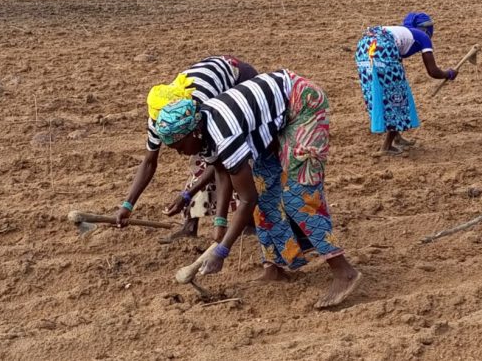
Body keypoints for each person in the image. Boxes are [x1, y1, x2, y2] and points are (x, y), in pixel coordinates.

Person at [155, 70, 361, 309]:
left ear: (193, 132)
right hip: (272, 121)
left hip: (301, 105)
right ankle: (273, 268)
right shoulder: (204, 130)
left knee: (298, 195)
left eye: (180, 147)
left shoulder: (223, 133)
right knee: (265, 189)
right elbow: (222, 171)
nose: (180, 153)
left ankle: (344, 271)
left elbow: (246, 198)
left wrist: (222, 251)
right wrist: (220, 223)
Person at [115, 56, 258, 243]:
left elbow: (218, 165)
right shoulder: (160, 120)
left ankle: (250, 221)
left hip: (240, 80)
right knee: (199, 157)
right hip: (208, 89)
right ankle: (190, 225)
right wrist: (128, 204)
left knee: (237, 159)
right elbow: (149, 162)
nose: (179, 152)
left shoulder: (199, 107)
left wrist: (188, 195)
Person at [355, 12, 458, 155]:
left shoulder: (400, 32)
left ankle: (396, 137)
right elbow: (433, 71)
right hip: (382, 49)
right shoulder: (422, 36)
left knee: (379, 91)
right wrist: (449, 73)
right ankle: (386, 147)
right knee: (397, 97)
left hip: (363, 47)